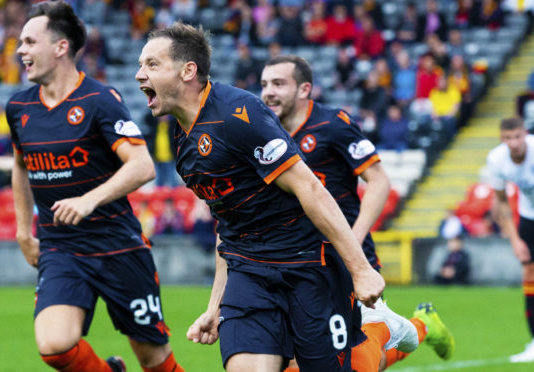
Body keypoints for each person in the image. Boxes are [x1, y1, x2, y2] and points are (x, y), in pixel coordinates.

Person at [135, 21, 388, 372]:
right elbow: (229, 222)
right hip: (249, 272)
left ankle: (384, 331)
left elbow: (310, 187)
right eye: (140, 65)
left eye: (151, 64)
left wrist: (360, 269)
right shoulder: (182, 143)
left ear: (187, 70)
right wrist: (215, 306)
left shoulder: (238, 114)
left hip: (307, 266)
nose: (139, 75)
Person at [6, 3, 185, 372]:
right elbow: (20, 168)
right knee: (55, 347)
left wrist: (89, 200)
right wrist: (24, 232)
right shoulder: (18, 107)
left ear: (60, 47)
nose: (20, 50)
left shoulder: (100, 100)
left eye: (28, 41)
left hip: (118, 246)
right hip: (62, 248)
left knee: (153, 358)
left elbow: (142, 166)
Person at [260, 55, 454, 372]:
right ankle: (421, 326)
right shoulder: (264, 133)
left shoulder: (333, 124)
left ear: (305, 88)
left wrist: (353, 236)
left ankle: (420, 327)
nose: (269, 92)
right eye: (265, 84)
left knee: (360, 357)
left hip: (346, 255)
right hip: (293, 258)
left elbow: (379, 181)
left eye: (279, 83)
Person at [487, 117, 534, 363]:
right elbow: (502, 202)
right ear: (501, 139)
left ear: (525, 134)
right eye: (508, 138)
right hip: (529, 217)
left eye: (517, 137)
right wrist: (515, 240)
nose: (513, 143)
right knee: (530, 277)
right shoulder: (496, 160)